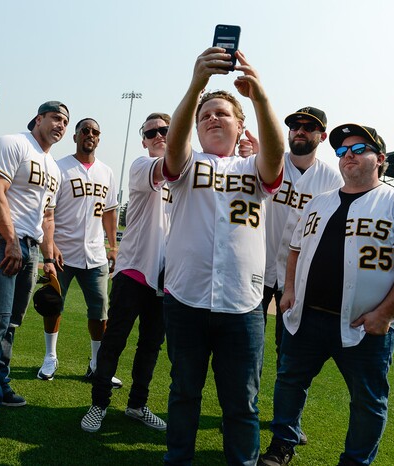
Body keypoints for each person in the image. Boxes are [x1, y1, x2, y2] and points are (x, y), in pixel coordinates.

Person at [259, 124, 394, 466]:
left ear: (380, 159)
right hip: (307, 317)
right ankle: (282, 445)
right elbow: (295, 250)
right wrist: (290, 291)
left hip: (364, 324)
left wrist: (385, 314)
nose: (348, 156)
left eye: (358, 149)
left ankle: (355, 462)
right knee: (290, 383)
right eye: (341, 152)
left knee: (367, 400)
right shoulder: (320, 203)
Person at [162, 47, 285, 466]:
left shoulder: (254, 168)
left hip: (242, 304)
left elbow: (275, 154)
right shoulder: (187, 160)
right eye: (205, 115)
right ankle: (177, 459)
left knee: (241, 404)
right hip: (185, 297)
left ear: (241, 125)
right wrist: (196, 84)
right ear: (195, 127)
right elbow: (173, 145)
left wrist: (260, 96)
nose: (213, 118)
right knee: (183, 395)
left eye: (223, 113)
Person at [0, 101, 67, 440]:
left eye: (65, 122)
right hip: (3, 243)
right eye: (56, 118)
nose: (60, 125)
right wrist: (10, 239)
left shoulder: (54, 167)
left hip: (30, 249)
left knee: (12, 322)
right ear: (39, 118)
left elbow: (48, 217)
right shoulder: (13, 143)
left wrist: (50, 259)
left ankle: (1, 382)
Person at [80, 112, 171, 433]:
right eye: (152, 133)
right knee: (115, 340)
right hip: (134, 269)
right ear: (144, 141)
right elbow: (170, 167)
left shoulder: (190, 172)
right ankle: (98, 404)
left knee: (150, 345)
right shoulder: (141, 165)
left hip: (167, 276)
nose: (159, 136)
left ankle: (137, 405)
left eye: (165, 130)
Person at [36, 118, 120, 387]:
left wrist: (113, 246)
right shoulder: (59, 167)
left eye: (95, 131)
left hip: (95, 255)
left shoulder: (106, 171)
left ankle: (96, 364)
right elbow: (45, 212)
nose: (90, 135)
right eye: (85, 130)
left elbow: (109, 212)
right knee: (53, 304)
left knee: (100, 311)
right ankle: (50, 357)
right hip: (63, 253)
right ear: (75, 136)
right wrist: (51, 247)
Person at [263, 107, 343, 362]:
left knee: (287, 350)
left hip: (296, 279)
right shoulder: (268, 162)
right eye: (295, 126)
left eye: (309, 127)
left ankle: (280, 402)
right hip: (256, 267)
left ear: (322, 135)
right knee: (244, 345)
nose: (300, 131)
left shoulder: (332, 180)